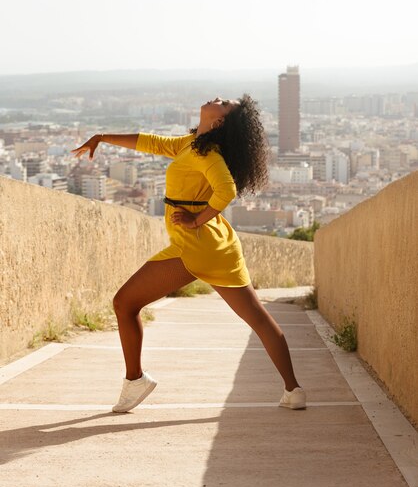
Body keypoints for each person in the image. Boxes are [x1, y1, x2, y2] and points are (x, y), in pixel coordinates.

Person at [70, 94, 306, 412]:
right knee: (259, 320)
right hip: (215, 245)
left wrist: (196, 218)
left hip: (197, 246)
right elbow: (151, 142)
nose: (217, 98)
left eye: (223, 103)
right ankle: (293, 390)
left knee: (125, 303)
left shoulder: (207, 155)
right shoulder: (193, 144)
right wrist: (102, 137)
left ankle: (134, 380)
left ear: (219, 120)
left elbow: (227, 190)